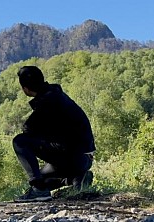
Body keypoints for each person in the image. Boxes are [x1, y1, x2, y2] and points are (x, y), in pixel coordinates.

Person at [12, 65, 95, 202]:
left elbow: (28, 128)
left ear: (25, 88)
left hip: (73, 157)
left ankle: (39, 191)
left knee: (20, 142)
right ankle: (76, 179)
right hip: (83, 158)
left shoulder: (48, 100)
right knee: (41, 177)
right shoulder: (56, 95)